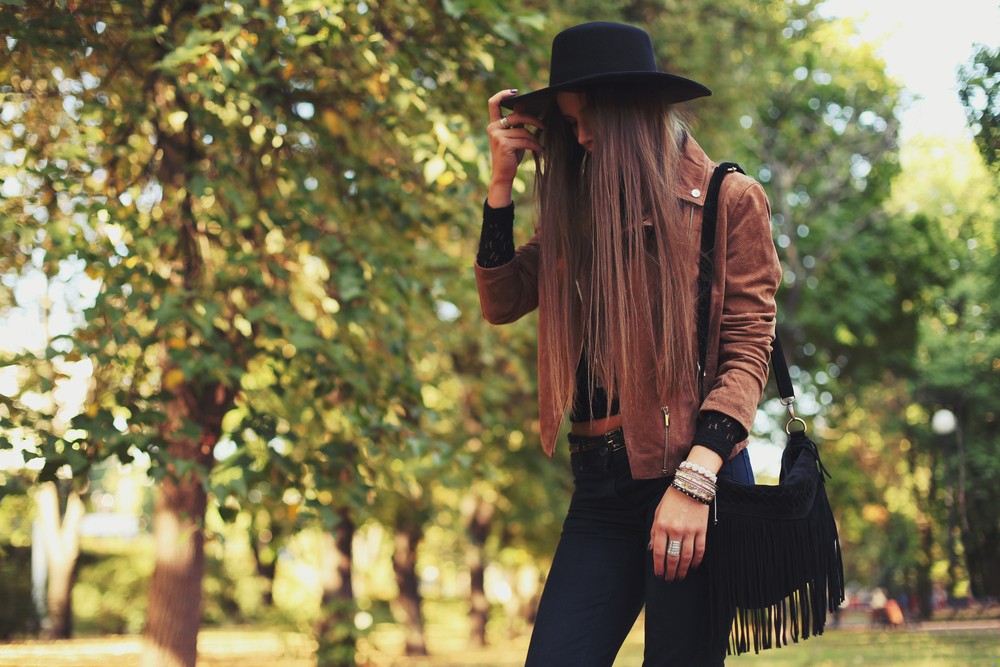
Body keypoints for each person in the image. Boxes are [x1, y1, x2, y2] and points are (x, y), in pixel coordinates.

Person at [475, 21, 781, 666]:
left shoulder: (730, 199)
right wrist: (501, 184)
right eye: (569, 123)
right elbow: (502, 300)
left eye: (588, 119)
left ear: (632, 113)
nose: (581, 136)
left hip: (691, 475)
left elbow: (748, 352)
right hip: (599, 485)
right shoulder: (582, 207)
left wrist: (696, 481)